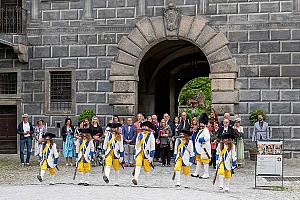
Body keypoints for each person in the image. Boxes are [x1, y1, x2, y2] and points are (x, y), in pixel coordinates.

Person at [132, 121, 155, 187]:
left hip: (147, 153)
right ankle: (135, 178)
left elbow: (152, 147)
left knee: (146, 167)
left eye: (145, 126)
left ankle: (146, 182)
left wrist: (151, 157)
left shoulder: (151, 135)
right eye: (143, 126)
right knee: (138, 164)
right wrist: (135, 154)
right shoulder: (139, 135)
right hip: (139, 152)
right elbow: (136, 145)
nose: (144, 128)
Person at [191, 113, 211, 179]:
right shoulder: (201, 130)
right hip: (199, 148)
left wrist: (201, 139)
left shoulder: (206, 130)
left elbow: (207, 138)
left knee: (205, 161)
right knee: (198, 161)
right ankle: (197, 172)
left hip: (204, 149)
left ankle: (206, 173)